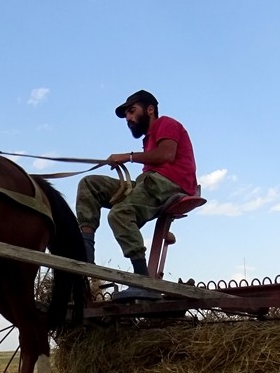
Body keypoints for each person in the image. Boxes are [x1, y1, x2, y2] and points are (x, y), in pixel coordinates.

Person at [75, 90, 197, 282]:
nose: (128, 118)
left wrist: (128, 157)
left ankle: (142, 279)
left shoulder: (166, 123)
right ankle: (85, 256)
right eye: (126, 115)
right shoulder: (148, 139)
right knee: (90, 184)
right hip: (149, 182)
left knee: (120, 214)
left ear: (150, 110)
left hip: (169, 183)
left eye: (132, 111)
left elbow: (166, 155)